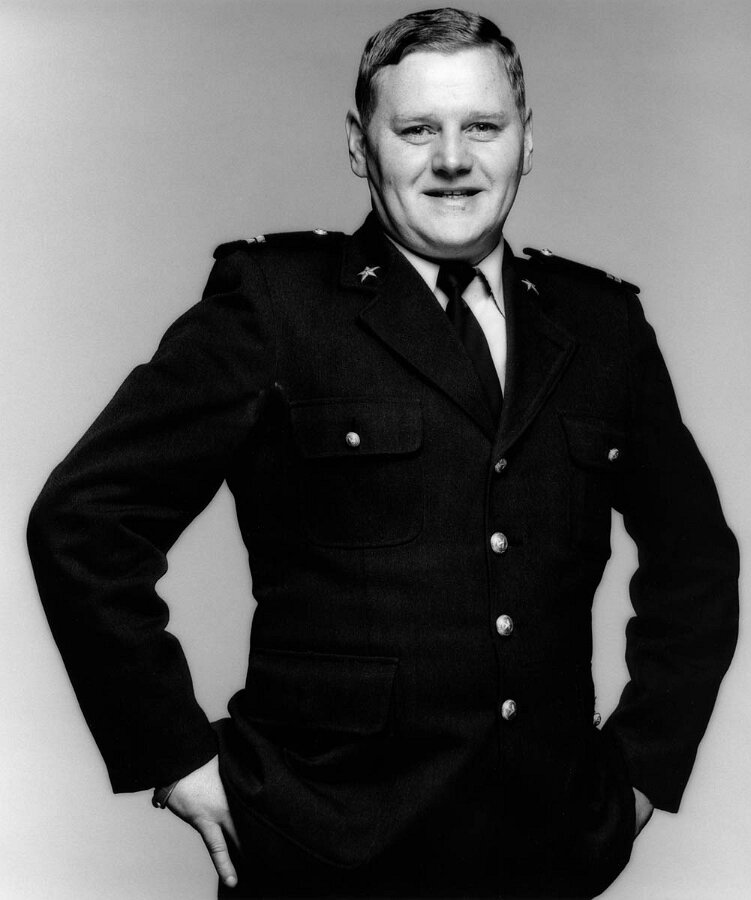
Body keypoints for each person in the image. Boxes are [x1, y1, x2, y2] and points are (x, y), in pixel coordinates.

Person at [27, 7, 739, 899]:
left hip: (543, 852)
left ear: (526, 141)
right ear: (360, 145)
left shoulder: (601, 326)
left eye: (483, 126)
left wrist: (643, 770)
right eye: (417, 130)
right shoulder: (275, 307)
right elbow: (84, 524)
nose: (453, 159)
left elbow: (695, 562)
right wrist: (171, 756)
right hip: (319, 849)